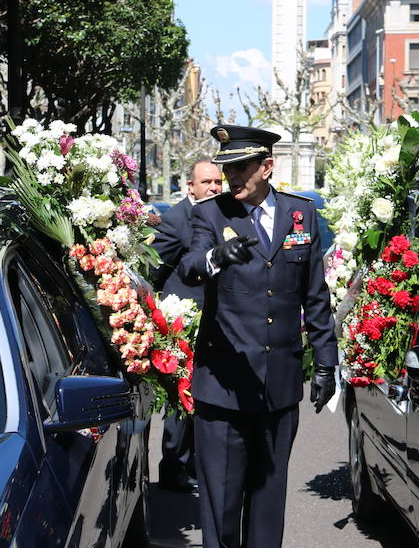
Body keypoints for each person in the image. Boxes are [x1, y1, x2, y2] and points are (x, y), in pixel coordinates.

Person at [177, 124, 337, 548]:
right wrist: (216, 257)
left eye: (241, 167)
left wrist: (326, 364)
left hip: (279, 387)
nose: (232, 178)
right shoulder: (210, 213)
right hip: (224, 389)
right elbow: (189, 266)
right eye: (226, 168)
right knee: (222, 507)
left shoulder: (299, 214)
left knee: (268, 505)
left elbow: (314, 296)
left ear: (267, 167)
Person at [151, 158, 223, 493]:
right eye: (206, 182)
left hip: (216, 323)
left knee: (205, 398)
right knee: (181, 399)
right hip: (183, 326)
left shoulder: (224, 214)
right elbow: (155, 272)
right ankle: (173, 467)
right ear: (190, 186)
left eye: (217, 182)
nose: (213, 187)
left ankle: (196, 465)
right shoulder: (176, 219)